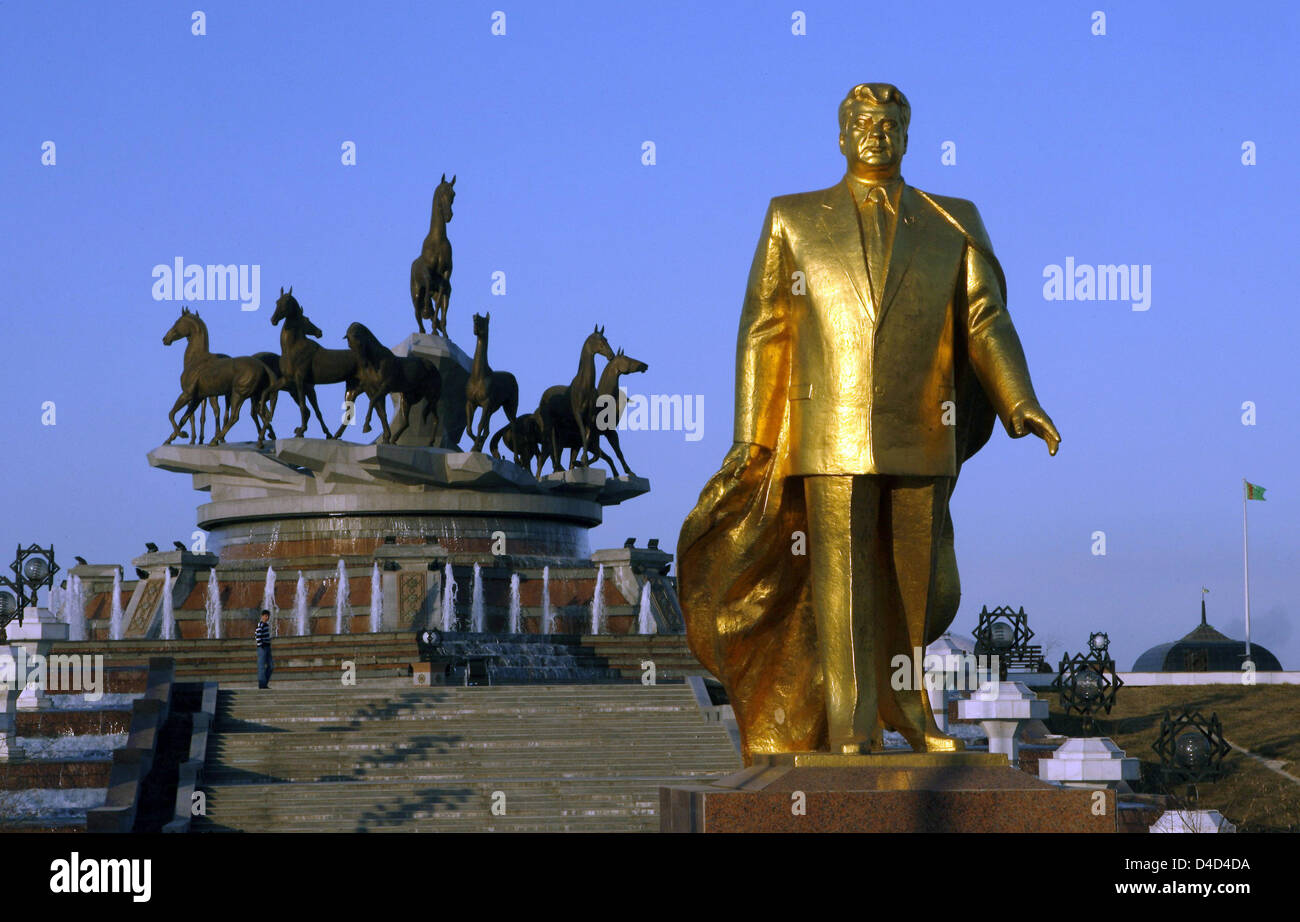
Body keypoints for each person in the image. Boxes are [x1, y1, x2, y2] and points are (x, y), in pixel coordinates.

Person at [678, 83, 1060, 762]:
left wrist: (1018, 399)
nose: (877, 133)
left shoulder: (952, 220)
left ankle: (913, 715)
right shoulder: (793, 218)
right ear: (842, 135)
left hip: (921, 430)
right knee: (842, 586)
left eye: (890, 123)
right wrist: (752, 435)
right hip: (829, 436)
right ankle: (851, 725)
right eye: (863, 122)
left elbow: (984, 318)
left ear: (908, 137)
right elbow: (764, 328)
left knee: (918, 589)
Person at [255, 609, 273, 689]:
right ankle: (262, 684)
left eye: (268, 616)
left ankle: (264, 683)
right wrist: (260, 645)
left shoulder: (266, 625)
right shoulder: (261, 624)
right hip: (262, 648)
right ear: (262, 616)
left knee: (271, 666)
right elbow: (257, 634)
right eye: (265, 616)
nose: (267, 617)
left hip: (267, 647)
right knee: (261, 667)